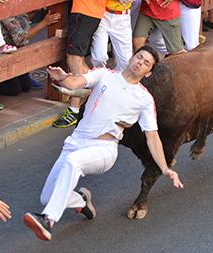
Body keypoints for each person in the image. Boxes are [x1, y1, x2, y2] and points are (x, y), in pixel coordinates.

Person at [23, 45, 184, 241]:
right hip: (76, 142)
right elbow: (76, 82)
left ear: (148, 72)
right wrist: (62, 77)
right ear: (132, 57)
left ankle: (48, 220)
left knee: (73, 162)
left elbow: (152, 136)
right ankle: (81, 200)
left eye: (146, 63)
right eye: (139, 57)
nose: (140, 63)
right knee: (47, 198)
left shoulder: (144, 99)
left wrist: (165, 169)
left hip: (104, 150)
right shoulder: (104, 75)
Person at [53, 0, 106, 128]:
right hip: (90, 11)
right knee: (78, 59)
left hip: (85, 10)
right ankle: (101, 97)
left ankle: (74, 109)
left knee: (74, 59)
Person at [0, 10, 61, 96]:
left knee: (25, 86)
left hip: (15, 53)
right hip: (2, 53)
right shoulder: (7, 11)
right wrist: (44, 23)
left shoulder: (25, 11)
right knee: (13, 90)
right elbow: (20, 38)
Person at [90, 0, 133, 71]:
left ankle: (117, 80)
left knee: (125, 61)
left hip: (122, 17)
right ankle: (99, 79)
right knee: (99, 58)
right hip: (102, 13)